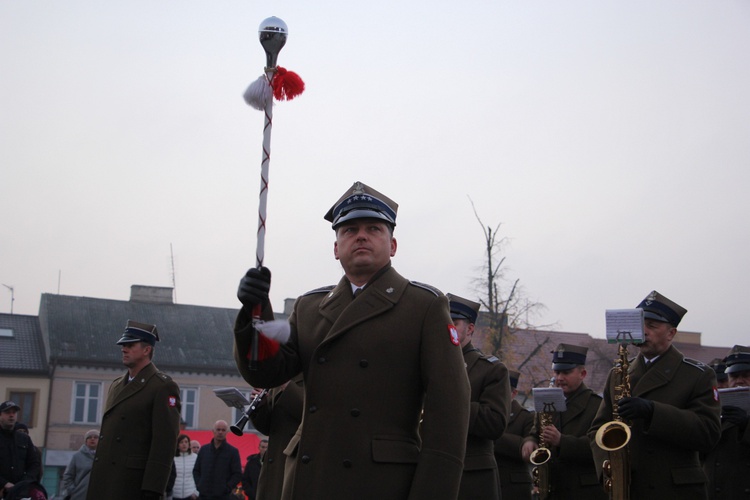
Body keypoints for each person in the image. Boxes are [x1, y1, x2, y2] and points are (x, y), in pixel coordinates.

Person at [233, 181, 470, 499]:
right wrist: (255, 311)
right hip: (311, 477)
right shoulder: (310, 307)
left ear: (393, 245)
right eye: (349, 230)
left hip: (382, 483)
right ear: (335, 249)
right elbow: (267, 372)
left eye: (374, 228)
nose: (361, 236)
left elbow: (449, 410)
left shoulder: (423, 305)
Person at [588, 290, 721, 499]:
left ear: (671, 333)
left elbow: (708, 433)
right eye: (641, 325)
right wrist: (609, 470)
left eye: (651, 326)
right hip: (630, 488)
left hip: (675, 490)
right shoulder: (618, 374)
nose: (644, 331)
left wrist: (653, 412)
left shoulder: (698, 374)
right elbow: (598, 429)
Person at [86, 320, 182, 500]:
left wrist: (153, 488)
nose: (124, 349)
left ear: (147, 350)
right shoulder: (116, 385)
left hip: (132, 484)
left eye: (130, 345)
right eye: (123, 345)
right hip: (106, 480)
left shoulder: (162, 386)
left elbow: (165, 441)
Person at [447, 293, 510, 500]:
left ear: (470, 329)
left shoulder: (491, 369)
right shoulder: (426, 364)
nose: (447, 328)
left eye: (454, 323)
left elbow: (496, 423)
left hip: (471, 477)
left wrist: (454, 402)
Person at [522, 344, 605, 499]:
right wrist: (530, 441)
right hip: (553, 488)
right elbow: (536, 432)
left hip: (583, 491)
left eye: (566, 372)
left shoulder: (596, 405)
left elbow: (600, 446)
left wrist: (562, 441)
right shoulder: (548, 399)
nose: (560, 378)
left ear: (583, 374)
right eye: (557, 372)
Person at [703, 345, 750, 499]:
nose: (739, 381)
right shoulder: (716, 407)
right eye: (734, 376)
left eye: (746, 375)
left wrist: (746, 426)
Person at [249, 374, 304, 500]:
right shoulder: (277, 380)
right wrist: (260, 406)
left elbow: (313, 412)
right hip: (276, 461)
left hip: (298, 459)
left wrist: (288, 387)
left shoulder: (311, 373)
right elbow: (268, 427)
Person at [494, 370, 534, 500]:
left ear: (514, 394)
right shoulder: (487, 415)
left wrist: (491, 434)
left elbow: (528, 447)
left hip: (514, 488)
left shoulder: (525, 417)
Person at [0, 401, 42, 498]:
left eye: (14, 412)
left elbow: (34, 464)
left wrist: (23, 483)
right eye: (7, 412)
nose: (11, 415)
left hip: (20, 493)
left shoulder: (24, 439)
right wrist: (4, 483)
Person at [193, 420, 242, 500]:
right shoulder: (204, 450)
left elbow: (237, 474)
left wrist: (227, 488)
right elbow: (196, 470)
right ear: (213, 431)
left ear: (227, 432)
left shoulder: (232, 452)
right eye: (218, 429)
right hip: (203, 495)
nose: (220, 432)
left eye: (223, 430)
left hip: (223, 496)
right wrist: (199, 484)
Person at [60, 429, 99, 500]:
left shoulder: (105, 456)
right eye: (89, 437)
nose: (92, 439)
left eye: (96, 437)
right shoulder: (77, 456)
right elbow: (68, 475)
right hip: (80, 495)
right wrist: (73, 490)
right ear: (86, 441)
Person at [172, 434, 198, 500]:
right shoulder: (173, 458)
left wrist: (196, 493)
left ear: (189, 444)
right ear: (177, 445)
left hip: (191, 495)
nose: (184, 444)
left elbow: (200, 475)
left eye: (186, 442)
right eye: (181, 442)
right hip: (175, 495)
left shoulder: (195, 458)